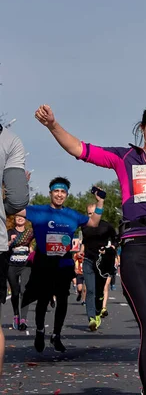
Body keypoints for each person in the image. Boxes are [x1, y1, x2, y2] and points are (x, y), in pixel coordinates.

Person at [34, 102, 146, 395]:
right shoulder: (124, 157)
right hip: (137, 250)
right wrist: (53, 125)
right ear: (143, 128)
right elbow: (80, 149)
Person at [19, 177, 104, 353]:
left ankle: (56, 335)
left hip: (63, 262)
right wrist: (20, 185)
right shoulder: (38, 211)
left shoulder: (72, 215)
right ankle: (40, 331)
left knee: (63, 300)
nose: (59, 194)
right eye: (56, 191)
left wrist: (100, 202)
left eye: (63, 192)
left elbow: (94, 222)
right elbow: (15, 209)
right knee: (42, 300)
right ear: (50, 193)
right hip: (44, 262)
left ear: (66, 194)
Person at [0, 122, 29, 375]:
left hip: (24, 265)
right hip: (1, 251)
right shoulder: (9, 139)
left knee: (21, 290)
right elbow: (18, 200)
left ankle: (22, 316)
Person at [81, 203, 118, 331]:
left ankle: (97, 313)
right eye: (89, 214)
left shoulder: (106, 226)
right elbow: (85, 242)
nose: (92, 216)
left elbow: (115, 238)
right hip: (88, 261)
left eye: (94, 213)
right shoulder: (85, 226)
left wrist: (112, 247)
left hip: (102, 262)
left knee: (99, 291)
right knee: (90, 290)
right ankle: (91, 318)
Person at [6, 215, 34, 330]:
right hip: (12, 266)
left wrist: (31, 251)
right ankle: (16, 315)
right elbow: (4, 246)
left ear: (25, 219)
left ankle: (24, 318)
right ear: (15, 219)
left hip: (25, 266)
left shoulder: (29, 232)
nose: (20, 218)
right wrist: (10, 241)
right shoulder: (10, 232)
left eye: (22, 216)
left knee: (24, 290)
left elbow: (33, 245)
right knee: (15, 293)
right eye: (18, 216)